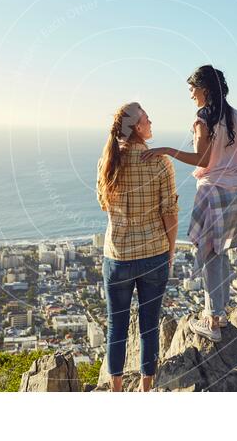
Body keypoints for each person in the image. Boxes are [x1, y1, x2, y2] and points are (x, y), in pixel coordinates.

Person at [142, 65, 237, 343]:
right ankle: (220, 312)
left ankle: (212, 321)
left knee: (210, 255)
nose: (191, 94)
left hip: (213, 193)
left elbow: (202, 161)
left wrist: (167, 149)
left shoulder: (203, 119)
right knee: (221, 253)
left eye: (192, 88)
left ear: (204, 89)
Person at [97, 102, 179, 391]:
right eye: (146, 118)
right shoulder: (159, 162)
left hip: (117, 255)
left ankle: (116, 390)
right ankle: (146, 389)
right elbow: (170, 211)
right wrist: (170, 251)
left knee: (116, 327)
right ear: (136, 128)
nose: (151, 121)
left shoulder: (109, 160)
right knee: (149, 326)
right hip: (153, 254)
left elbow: (102, 202)